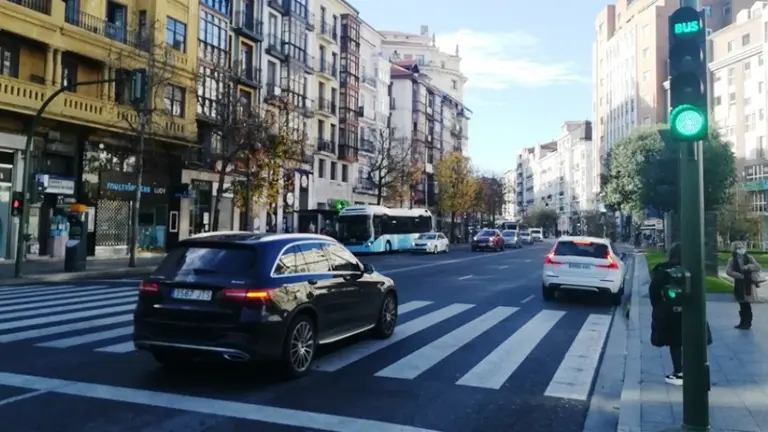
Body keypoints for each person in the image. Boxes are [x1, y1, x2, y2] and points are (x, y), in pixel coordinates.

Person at [649, 243, 685, 385]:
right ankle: (693, 370)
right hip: (689, 311)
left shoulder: (663, 270)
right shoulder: (693, 269)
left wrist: (659, 308)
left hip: (670, 312)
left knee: (675, 343)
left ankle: (679, 371)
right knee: (690, 341)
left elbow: (654, 292)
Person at [725, 241, 761, 330]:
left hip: (748, 285)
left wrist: (749, 267)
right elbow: (728, 271)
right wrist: (739, 275)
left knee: (747, 304)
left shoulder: (749, 258)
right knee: (742, 304)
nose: (740, 249)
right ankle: (742, 322)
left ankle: (748, 322)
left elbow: (758, 267)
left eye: (741, 247)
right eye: (738, 248)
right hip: (739, 284)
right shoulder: (732, 260)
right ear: (734, 249)